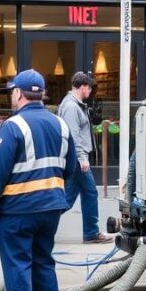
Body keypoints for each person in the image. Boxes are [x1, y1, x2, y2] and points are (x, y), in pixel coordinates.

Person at [0, 69, 78, 291]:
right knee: (43, 261)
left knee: (17, 265)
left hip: (19, 209)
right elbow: (71, 168)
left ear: (19, 94)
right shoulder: (61, 125)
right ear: (42, 95)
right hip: (50, 208)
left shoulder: (13, 126)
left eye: (13, 91)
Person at [59, 72, 111, 243]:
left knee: (68, 198)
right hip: (76, 159)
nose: (90, 91)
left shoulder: (74, 105)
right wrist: (82, 157)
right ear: (82, 87)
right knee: (88, 193)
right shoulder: (72, 107)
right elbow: (73, 135)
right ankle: (91, 233)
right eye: (89, 88)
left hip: (74, 158)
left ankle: (36, 223)